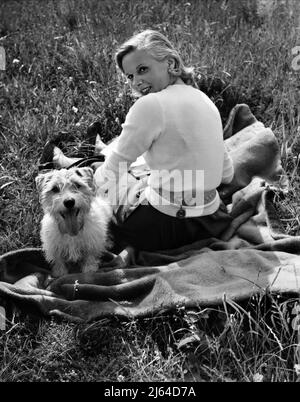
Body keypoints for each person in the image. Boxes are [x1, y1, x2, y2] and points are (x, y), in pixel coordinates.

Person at [92, 29, 234, 253]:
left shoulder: (150, 105)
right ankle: (103, 154)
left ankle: (85, 160)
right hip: (212, 222)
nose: (136, 82)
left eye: (142, 70)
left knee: (106, 176)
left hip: (162, 227)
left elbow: (113, 170)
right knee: (142, 175)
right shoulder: (206, 101)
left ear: (172, 64)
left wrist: (94, 183)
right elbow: (227, 175)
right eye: (130, 77)